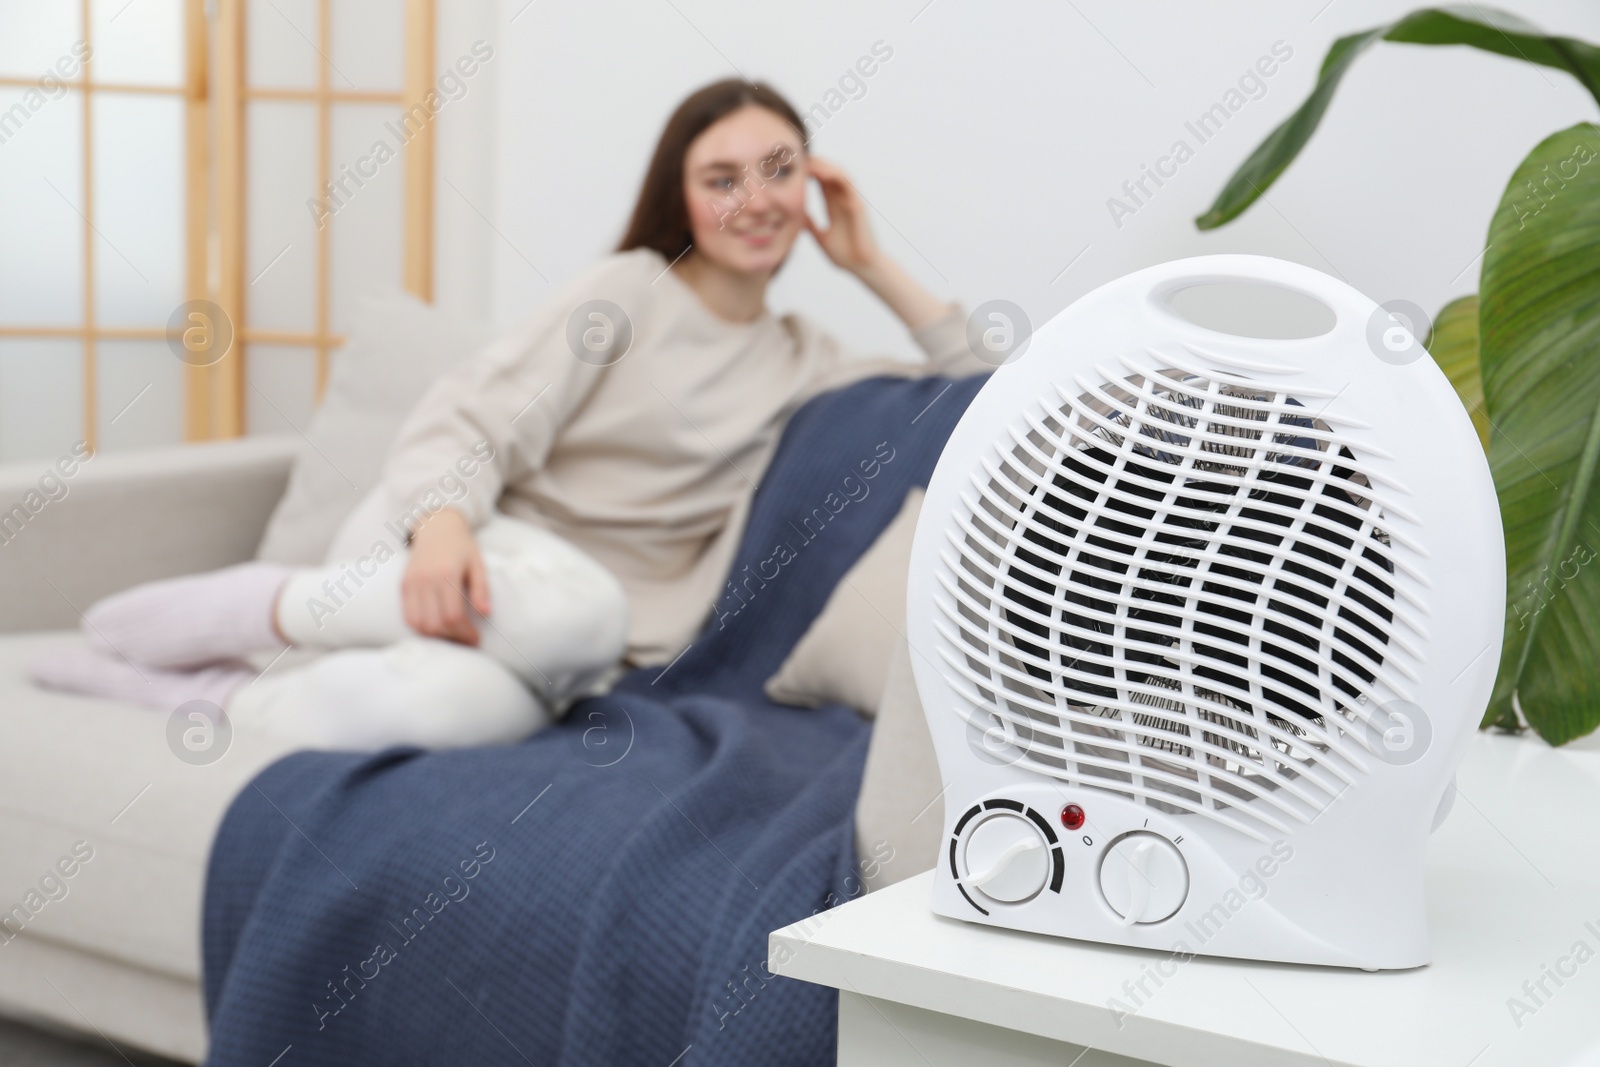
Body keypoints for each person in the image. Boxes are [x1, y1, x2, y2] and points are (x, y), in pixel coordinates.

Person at [31, 78, 991, 749]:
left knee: (451, 714)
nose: (754, 198)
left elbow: (982, 386)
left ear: (812, 186)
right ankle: (253, 605)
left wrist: (870, 264)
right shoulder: (628, 290)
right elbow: (472, 416)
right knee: (579, 608)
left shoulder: (807, 359)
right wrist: (444, 529)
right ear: (682, 195)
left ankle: (202, 696)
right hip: (449, 546)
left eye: (778, 169)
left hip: (568, 634)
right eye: (721, 177)